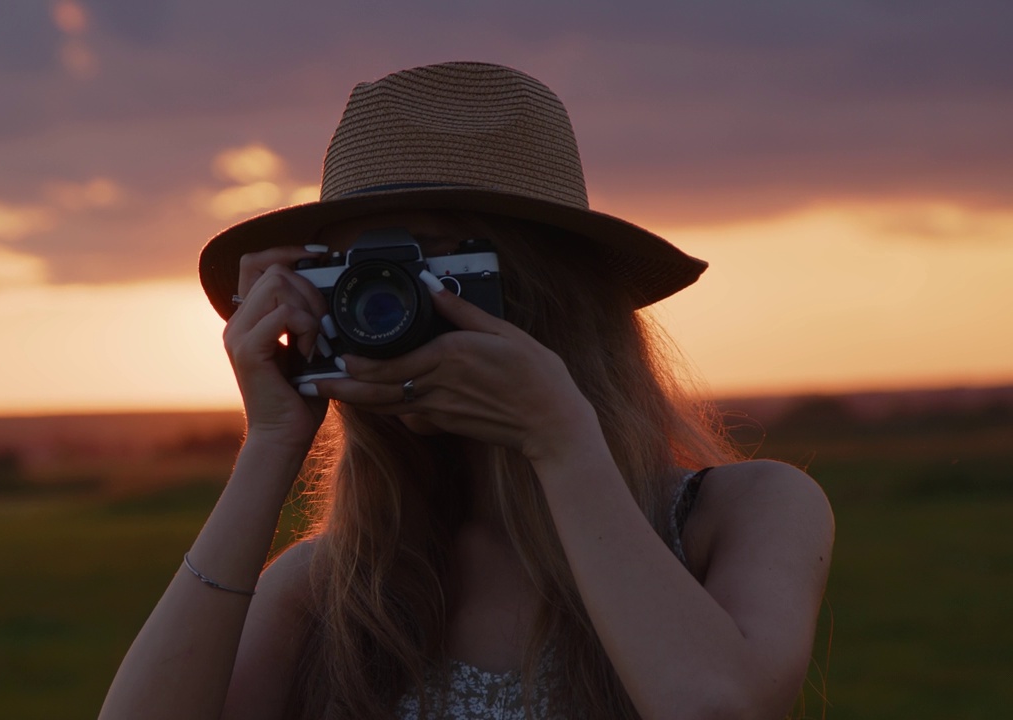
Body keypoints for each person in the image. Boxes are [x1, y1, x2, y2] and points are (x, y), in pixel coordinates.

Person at [99, 62, 834, 720]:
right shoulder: (337, 585)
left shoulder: (744, 513)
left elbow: (712, 706)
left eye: (428, 268)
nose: (384, 305)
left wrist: (561, 440)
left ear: (550, 291)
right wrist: (270, 442)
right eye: (358, 273)